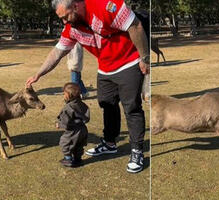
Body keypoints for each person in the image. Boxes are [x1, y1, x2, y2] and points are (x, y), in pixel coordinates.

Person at [26, 0, 149, 173]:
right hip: (105, 68)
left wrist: (144, 59)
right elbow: (57, 52)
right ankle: (110, 142)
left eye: (65, 16)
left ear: (75, 6)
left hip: (128, 61)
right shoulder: (72, 28)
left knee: (132, 108)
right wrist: (38, 74)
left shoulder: (104, 5)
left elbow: (135, 26)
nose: (64, 22)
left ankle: (137, 151)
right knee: (107, 104)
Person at [56, 82, 90, 167]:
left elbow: (65, 121)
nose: (63, 95)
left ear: (68, 95)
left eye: (64, 93)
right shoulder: (82, 104)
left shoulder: (68, 108)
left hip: (73, 130)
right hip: (83, 129)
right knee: (79, 144)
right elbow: (87, 117)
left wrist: (59, 124)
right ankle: (78, 159)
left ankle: (68, 159)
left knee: (65, 142)